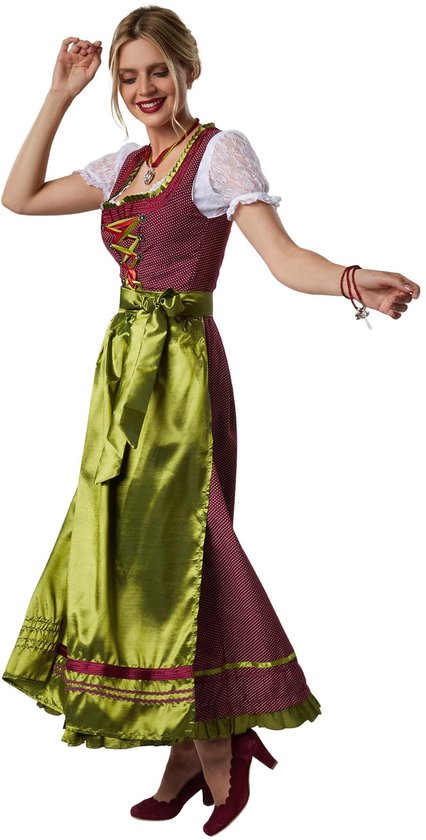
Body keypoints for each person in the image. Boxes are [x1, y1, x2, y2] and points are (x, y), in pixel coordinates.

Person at [1, 4, 420, 836]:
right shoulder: (124, 164)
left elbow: (283, 258)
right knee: (132, 558)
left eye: (158, 70)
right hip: (122, 377)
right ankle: (192, 748)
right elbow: (19, 197)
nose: (144, 88)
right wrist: (59, 95)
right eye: (129, 76)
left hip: (183, 379)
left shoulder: (219, 152)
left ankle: (220, 744)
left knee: (193, 546)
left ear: (188, 70)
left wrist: (351, 278)